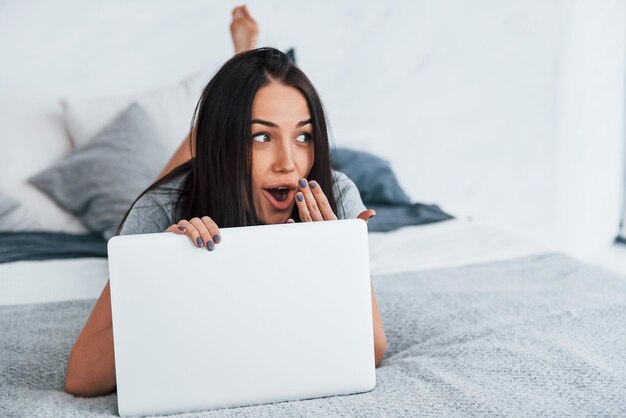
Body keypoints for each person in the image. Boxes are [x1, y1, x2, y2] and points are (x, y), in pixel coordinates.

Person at [64, 5, 387, 398]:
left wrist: (329, 258)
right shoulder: (161, 207)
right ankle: (237, 81)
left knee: (224, 140)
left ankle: (241, 82)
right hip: (191, 190)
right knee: (174, 180)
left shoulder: (334, 193)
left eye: (303, 136)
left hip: (222, 165)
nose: (289, 164)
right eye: (262, 136)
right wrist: (166, 273)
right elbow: (80, 379)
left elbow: (371, 350)